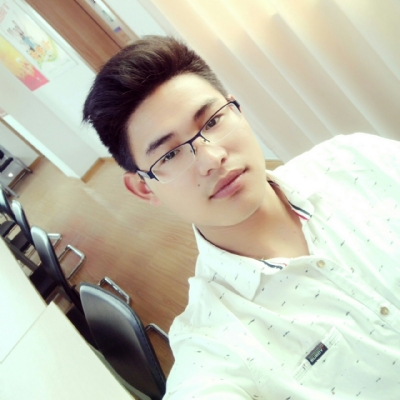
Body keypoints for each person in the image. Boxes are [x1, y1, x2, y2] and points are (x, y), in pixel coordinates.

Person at [83, 36, 400, 399]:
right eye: (169, 155)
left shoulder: (355, 159)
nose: (211, 158)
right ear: (144, 189)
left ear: (239, 111)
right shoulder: (213, 345)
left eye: (213, 121)